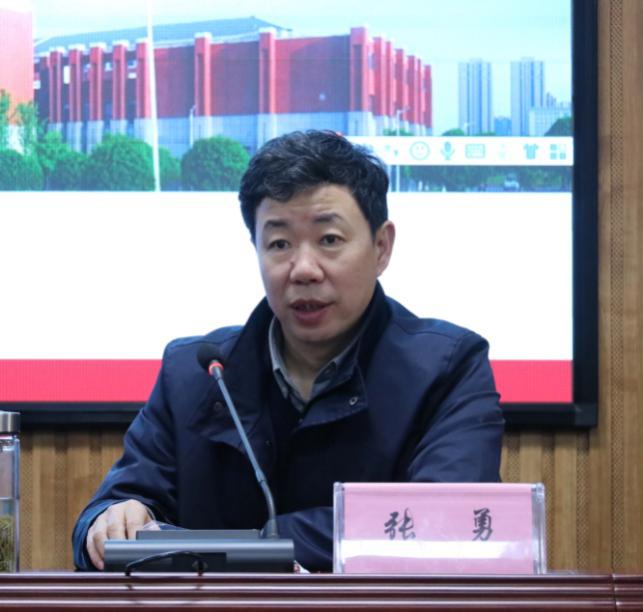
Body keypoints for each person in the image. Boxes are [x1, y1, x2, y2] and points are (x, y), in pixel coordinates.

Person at [72, 130, 504, 572]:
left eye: (329, 239)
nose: (303, 269)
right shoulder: (196, 373)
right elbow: (116, 507)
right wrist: (108, 521)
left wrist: (262, 547)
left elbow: (444, 522)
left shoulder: (447, 370)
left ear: (381, 247)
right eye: (279, 244)